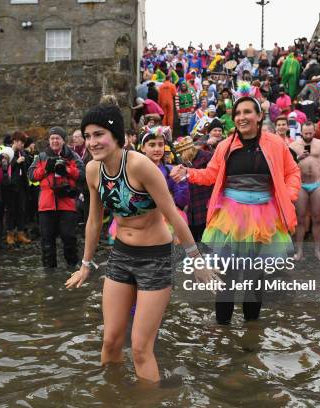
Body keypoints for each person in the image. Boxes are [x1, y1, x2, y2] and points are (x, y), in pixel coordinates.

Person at [66, 103, 215, 383]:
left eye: (99, 134)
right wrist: (86, 264)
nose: (92, 142)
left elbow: (172, 214)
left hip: (156, 259)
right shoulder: (92, 171)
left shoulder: (140, 165)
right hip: (121, 256)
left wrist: (197, 260)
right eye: (87, 136)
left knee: (140, 348)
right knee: (110, 340)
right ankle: (113, 397)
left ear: (116, 136)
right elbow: (95, 221)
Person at [171, 89, 301, 325]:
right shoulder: (225, 145)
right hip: (230, 218)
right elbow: (211, 175)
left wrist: (289, 195)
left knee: (255, 278)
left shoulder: (275, 143)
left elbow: (292, 172)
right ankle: (223, 332)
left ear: (259, 116)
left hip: (265, 216)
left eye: (247, 112)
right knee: (227, 277)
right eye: (238, 113)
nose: (242, 117)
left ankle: (251, 333)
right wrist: (188, 173)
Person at [29, 126, 85, 268]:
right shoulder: (41, 156)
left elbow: (83, 174)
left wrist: (67, 169)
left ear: (63, 140)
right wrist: (46, 168)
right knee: (47, 241)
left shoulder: (72, 156)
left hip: (67, 202)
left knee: (69, 238)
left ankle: (73, 268)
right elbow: (31, 175)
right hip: (46, 204)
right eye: (52, 138)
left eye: (57, 138)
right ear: (49, 140)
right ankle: (49, 272)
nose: (54, 141)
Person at [290, 122, 320, 262]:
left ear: (314, 131)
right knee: (300, 219)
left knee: (317, 218)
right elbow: (288, 166)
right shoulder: (293, 145)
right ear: (301, 132)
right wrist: (298, 158)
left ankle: (317, 251)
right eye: (305, 133)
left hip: (317, 183)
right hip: (301, 184)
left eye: (310, 133)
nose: (308, 135)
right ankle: (299, 251)